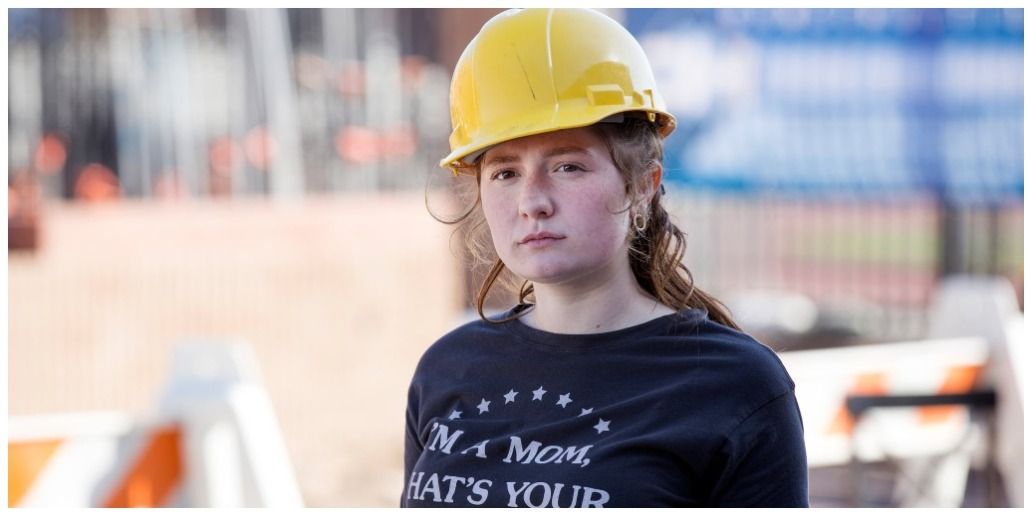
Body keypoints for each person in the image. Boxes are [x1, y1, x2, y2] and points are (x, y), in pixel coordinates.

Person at [403, 8, 808, 508]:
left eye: (568, 166)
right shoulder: (448, 369)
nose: (533, 201)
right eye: (505, 172)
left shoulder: (734, 385)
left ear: (642, 186)